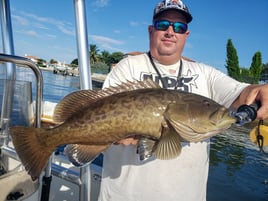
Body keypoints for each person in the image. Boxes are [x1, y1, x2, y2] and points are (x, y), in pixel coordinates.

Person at [98, 0, 268, 200]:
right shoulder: (127, 67)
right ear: (151, 30)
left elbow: (245, 93)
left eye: (179, 27)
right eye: (163, 25)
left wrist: (261, 91)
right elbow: (101, 114)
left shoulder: (206, 73)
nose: (171, 31)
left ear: (186, 35)